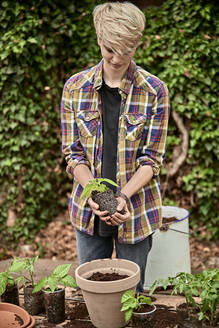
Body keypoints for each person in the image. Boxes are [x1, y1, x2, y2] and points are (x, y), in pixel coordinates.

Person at [61, 1, 170, 292]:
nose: (118, 58)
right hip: (89, 210)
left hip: (135, 209)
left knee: (131, 295)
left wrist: (121, 197)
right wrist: (96, 194)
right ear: (99, 39)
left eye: (127, 50)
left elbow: (152, 160)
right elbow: (73, 154)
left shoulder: (154, 90)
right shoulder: (75, 87)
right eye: (110, 49)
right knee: (92, 293)